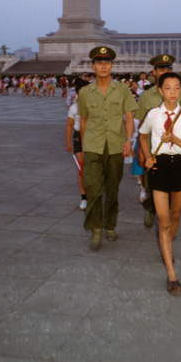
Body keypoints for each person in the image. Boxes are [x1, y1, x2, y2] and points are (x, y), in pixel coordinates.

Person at [78, 46, 138, 251]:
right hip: (93, 146)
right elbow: (83, 120)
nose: (103, 66)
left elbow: (129, 117)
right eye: (99, 63)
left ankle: (110, 225)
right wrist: (85, 146)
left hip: (115, 145)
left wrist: (129, 140)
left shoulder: (122, 90)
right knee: (94, 189)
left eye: (107, 63)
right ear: (93, 66)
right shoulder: (85, 92)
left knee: (112, 190)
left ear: (112, 66)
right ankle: (96, 228)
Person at [139, 72, 181, 295]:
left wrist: (174, 140)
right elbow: (142, 136)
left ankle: (166, 246)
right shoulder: (153, 114)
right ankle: (171, 273)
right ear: (160, 91)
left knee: (175, 216)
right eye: (168, 88)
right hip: (159, 167)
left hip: (179, 165)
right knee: (163, 220)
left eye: (177, 88)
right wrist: (147, 156)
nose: (173, 93)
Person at [135, 54, 181, 228]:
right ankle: (151, 208)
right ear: (154, 72)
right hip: (153, 151)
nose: (165, 72)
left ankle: (165, 218)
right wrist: (141, 153)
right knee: (152, 183)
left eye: (169, 69)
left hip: (175, 150)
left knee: (171, 188)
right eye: (161, 69)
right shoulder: (146, 96)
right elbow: (141, 127)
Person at [66, 78, 89, 210]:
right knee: (82, 168)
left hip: (93, 138)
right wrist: (67, 141)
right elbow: (69, 125)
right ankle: (84, 196)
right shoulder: (74, 107)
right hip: (78, 137)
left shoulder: (95, 106)